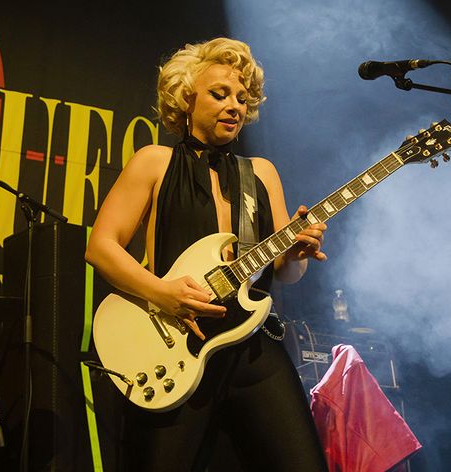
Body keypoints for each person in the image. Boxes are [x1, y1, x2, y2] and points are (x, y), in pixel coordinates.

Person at [85, 37, 328, 471]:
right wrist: (161, 293)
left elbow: (284, 273)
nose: (235, 105)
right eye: (220, 94)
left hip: (254, 349)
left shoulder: (262, 173)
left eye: (242, 97)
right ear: (186, 97)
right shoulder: (153, 162)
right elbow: (101, 246)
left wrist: (296, 253)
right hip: (176, 345)